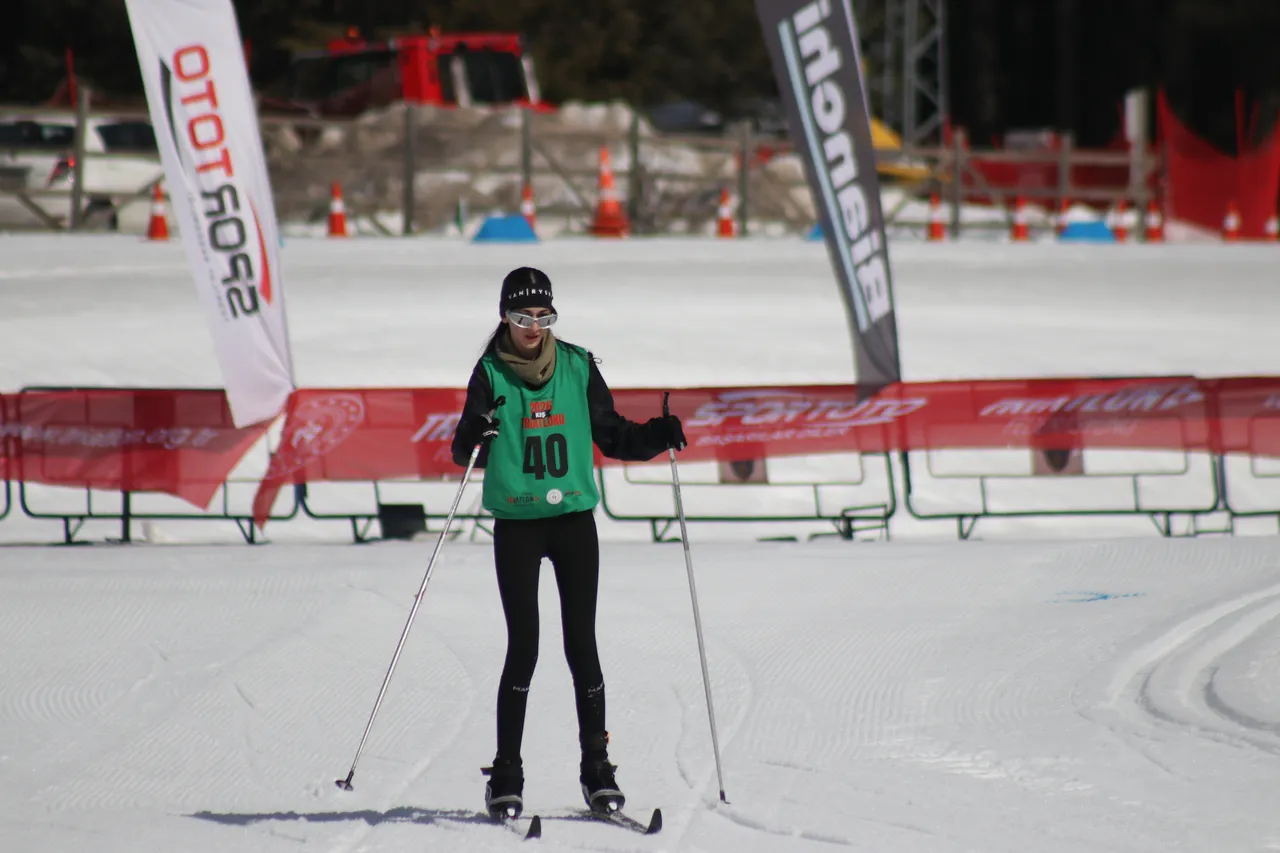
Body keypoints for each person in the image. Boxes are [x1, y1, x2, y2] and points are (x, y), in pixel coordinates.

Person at [450, 266, 686, 820]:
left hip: (574, 521)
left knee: (583, 646)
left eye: (543, 316)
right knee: (524, 649)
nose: (533, 327)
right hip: (518, 523)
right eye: (521, 316)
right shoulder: (488, 373)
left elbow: (613, 434)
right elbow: (465, 452)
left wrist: (656, 435)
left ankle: (596, 771)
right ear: (504, 316)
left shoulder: (579, 366)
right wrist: (475, 433)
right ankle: (506, 775)